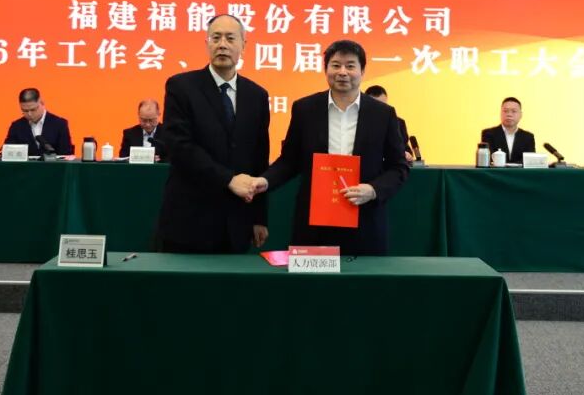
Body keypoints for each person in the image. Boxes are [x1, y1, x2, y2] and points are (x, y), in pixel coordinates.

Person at [255, 40, 409, 256]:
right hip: (314, 224)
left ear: (362, 71)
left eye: (350, 66)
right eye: (335, 65)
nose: (342, 72)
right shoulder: (305, 109)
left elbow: (398, 167)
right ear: (325, 69)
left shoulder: (383, 114)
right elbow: (290, 160)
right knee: (312, 279)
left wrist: (373, 190)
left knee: (362, 278)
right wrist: (265, 180)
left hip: (364, 220)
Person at [154, 14, 271, 253]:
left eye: (230, 38)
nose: (222, 45)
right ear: (207, 43)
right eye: (216, 38)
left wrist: (259, 217)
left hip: (237, 221)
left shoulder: (257, 95)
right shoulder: (181, 86)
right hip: (190, 220)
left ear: (243, 45)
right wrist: (228, 179)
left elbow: (259, 156)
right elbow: (180, 146)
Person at [3, 88, 73, 156]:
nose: (29, 114)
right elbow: (7, 151)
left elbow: (66, 155)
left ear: (42, 103)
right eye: (25, 111)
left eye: (33, 110)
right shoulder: (16, 126)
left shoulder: (60, 124)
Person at [364, 84, 414, 162]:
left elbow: (405, 148)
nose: (380, 109)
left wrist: (407, 154)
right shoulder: (358, 121)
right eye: (375, 105)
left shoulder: (399, 123)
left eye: (383, 105)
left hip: (391, 166)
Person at [480, 97, 536, 165]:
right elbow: (488, 159)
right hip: (497, 171)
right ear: (500, 113)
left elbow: (529, 161)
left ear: (521, 115)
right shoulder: (488, 134)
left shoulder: (528, 137)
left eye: (514, 111)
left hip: (520, 172)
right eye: (505, 111)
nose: (509, 114)